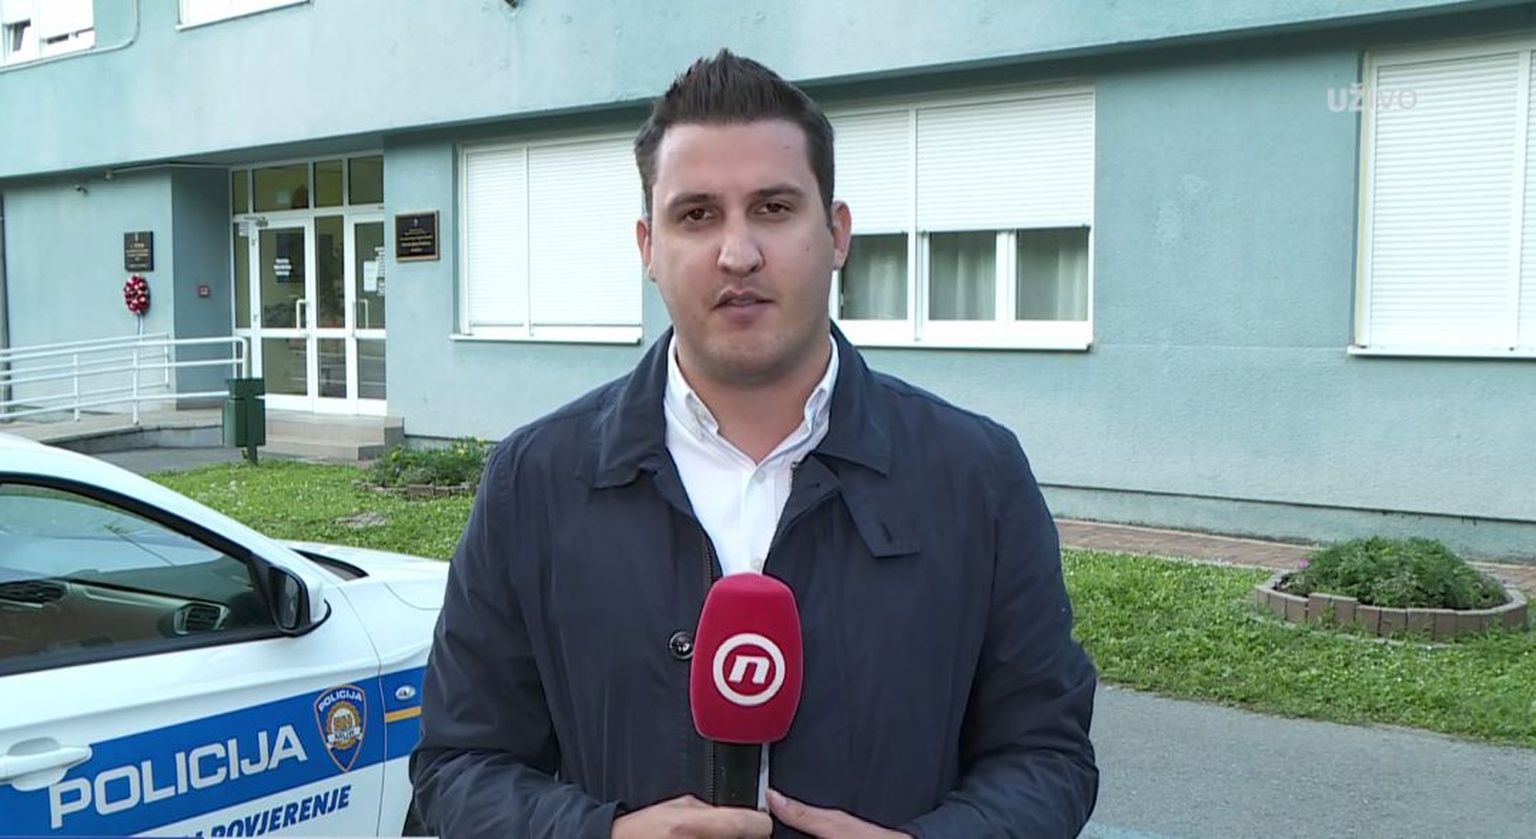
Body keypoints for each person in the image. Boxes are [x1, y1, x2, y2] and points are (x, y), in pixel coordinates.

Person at [409, 49, 1099, 838]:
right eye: (697, 215)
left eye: (773, 207)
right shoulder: (534, 481)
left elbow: (1047, 755)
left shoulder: (976, 475)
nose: (738, 252)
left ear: (836, 233)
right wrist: (603, 834)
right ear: (647, 246)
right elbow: (459, 764)